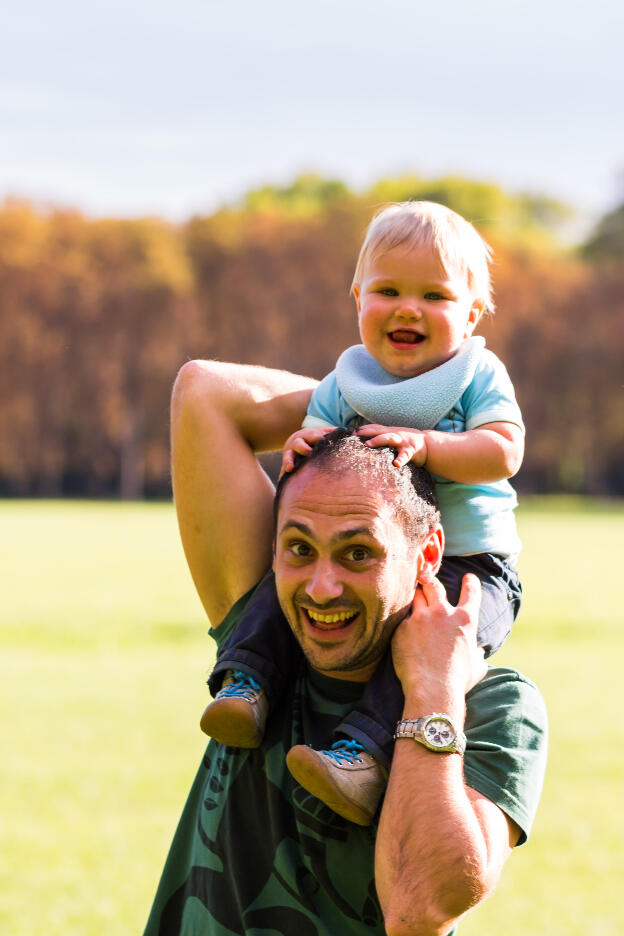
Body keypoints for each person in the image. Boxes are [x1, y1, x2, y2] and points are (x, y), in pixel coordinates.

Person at [144, 362, 547, 936]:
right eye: (299, 548)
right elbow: (206, 392)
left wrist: (431, 691)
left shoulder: (496, 708)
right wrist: (365, 401)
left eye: (359, 553)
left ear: (428, 556)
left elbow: (419, 910)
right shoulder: (262, 646)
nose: (321, 587)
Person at [201, 201, 526, 822]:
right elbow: (321, 460)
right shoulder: (344, 383)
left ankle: (361, 758)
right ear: (358, 299)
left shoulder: (476, 374)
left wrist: (430, 446)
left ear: (472, 313)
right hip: (367, 555)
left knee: (427, 651)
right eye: (388, 290)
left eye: (434, 295)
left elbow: (504, 450)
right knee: (281, 590)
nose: (408, 308)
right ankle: (246, 684)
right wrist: (301, 447)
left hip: (469, 564)